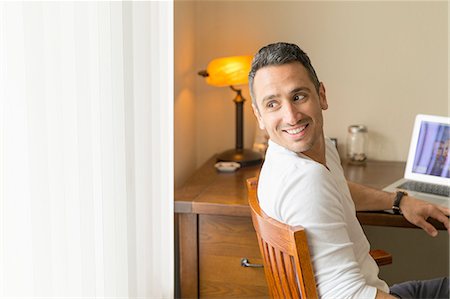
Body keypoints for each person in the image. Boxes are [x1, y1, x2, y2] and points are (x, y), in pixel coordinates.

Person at [248, 42, 450, 299]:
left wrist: (399, 200)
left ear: (321, 95)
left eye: (298, 96)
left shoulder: (295, 157)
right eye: (272, 104)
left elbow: (337, 189)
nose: (291, 116)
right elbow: (347, 296)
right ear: (259, 116)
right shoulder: (307, 182)